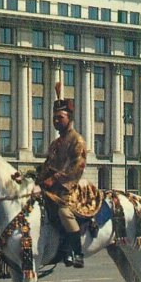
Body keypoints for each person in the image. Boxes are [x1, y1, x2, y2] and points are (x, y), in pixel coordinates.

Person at [36, 85, 87, 268]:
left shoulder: (77, 140)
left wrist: (55, 179)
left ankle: (76, 252)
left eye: (60, 117)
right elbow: (47, 166)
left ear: (69, 119)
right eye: (54, 118)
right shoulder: (55, 143)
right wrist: (34, 179)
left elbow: (77, 167)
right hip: (50, 188)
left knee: (64, 212)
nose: (56, 121)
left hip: (68, 188)